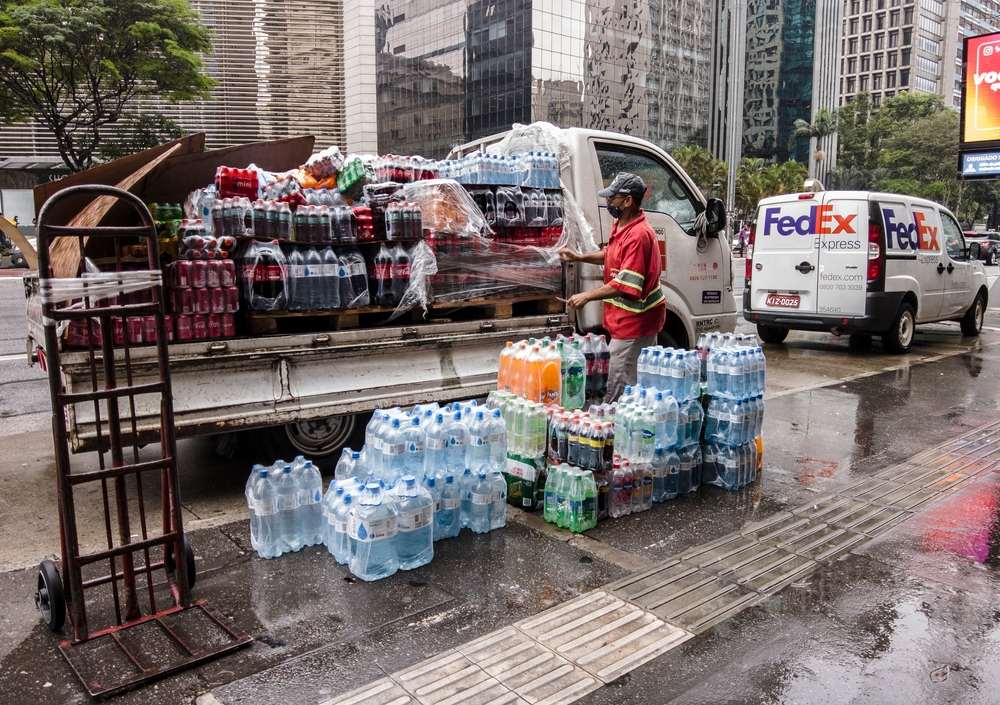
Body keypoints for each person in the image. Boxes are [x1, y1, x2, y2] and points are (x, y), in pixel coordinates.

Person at [559, 172, 666, 402]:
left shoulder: (639, 235)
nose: (609, 202)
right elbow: (611, 255)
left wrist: (587, 296)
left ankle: (617, 428)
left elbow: (626, 283)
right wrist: (578, 257)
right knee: (631, 379)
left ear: (628, 201)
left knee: (618, 385)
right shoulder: (622, 224)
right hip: (623, 320)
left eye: (613, 197)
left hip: (635, 323)